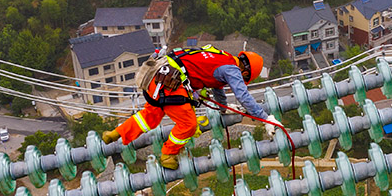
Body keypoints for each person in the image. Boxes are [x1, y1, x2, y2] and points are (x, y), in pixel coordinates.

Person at [102, 46, 280, 168]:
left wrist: (224, 108)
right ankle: (168, 155)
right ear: (246, 72)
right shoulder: (232, 69)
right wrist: (264, 117)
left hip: (157, 75)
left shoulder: (221, 56)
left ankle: (116, 133)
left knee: (150, 115)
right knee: (188, 124)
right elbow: (243, 96)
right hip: (171, 82)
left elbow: (218, 88)